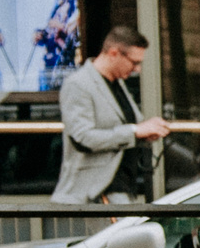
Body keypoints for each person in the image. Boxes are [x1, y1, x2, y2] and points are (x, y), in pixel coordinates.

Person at [50, 27, 169, 206]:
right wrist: (135, 131)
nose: (137, 69)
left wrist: (143, 134)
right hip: (94, 193)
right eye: (134, 62)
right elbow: (83, 137)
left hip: (121, 188)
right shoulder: (78, 84)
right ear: (113, 53)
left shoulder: (117, 83)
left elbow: (127, 128)